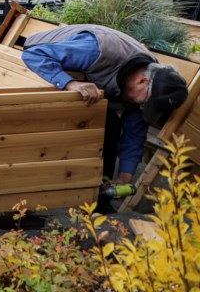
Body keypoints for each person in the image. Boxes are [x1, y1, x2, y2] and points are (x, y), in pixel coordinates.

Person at [22, 24, 188, 186]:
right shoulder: (97, 52)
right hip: (33, 60)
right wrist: (70, 83)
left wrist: (125, 177)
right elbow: (33, 55)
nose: (143, 108)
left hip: (91, 79)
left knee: (110, 125)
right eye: (146, 103)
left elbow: (134, 133)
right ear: (142, 81)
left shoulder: (150, 85)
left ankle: (100, 194)